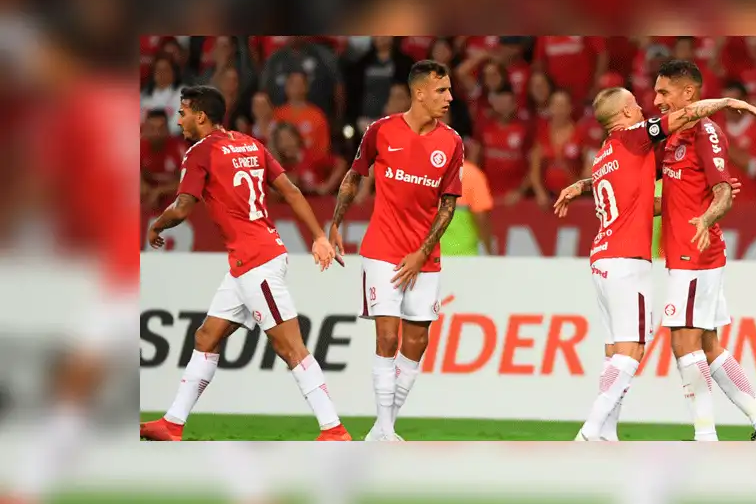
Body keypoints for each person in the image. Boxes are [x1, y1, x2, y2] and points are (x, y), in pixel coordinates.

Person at [140, 85, 351, 442]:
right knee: (207, 336)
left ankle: (334, 428)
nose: (180, 119)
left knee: (290, 348)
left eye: (183, 112)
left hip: (257, 262)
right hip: (249, 261)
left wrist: (156, 223)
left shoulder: (200, 153)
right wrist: (317, 234)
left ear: (201, 116)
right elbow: (291, 191)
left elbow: (182, 208)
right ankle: (172, 423)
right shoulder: (251, 145)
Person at [553, 88, 756, 441]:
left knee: (614, 353)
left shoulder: (603, 155)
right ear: (622, 114)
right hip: (625, 261)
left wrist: (689, 201)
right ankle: (590, 430)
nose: (642, 108)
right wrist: (725, 103)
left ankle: (607, 433)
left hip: (601, 259)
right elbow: (685, 115)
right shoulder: (635, 137)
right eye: (635, 104)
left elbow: (640, 203)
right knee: (632, 352)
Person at [653, 59, 756, 441]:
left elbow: (724, 192)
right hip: (686, 250)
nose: (657, 99)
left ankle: (705, 437)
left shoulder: (706, 133)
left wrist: (706, 218)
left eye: (664, 91)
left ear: (689, 93)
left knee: (683, 343)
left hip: (695, 253)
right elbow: (675, 199)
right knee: (709, 345)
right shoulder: (675, 137)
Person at [329, 60, 464, 442]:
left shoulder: (452, 142)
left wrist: (423, 252)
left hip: (425, 257)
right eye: (441, 91)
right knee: (387, 338)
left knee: (417, 342)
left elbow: (449, 205)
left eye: (449, 90)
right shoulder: (381, 131)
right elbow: (355, 175)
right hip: (382, 249)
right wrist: (336, 222)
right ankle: (386, 431)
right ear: (419, 92)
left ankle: (381, 428)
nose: (449, 98)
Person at [441, 140, 497, 256]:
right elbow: (481, 217)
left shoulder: (423, 172)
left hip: (428, 257)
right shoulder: (472, 174)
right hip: (464, 255)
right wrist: (488, 250)